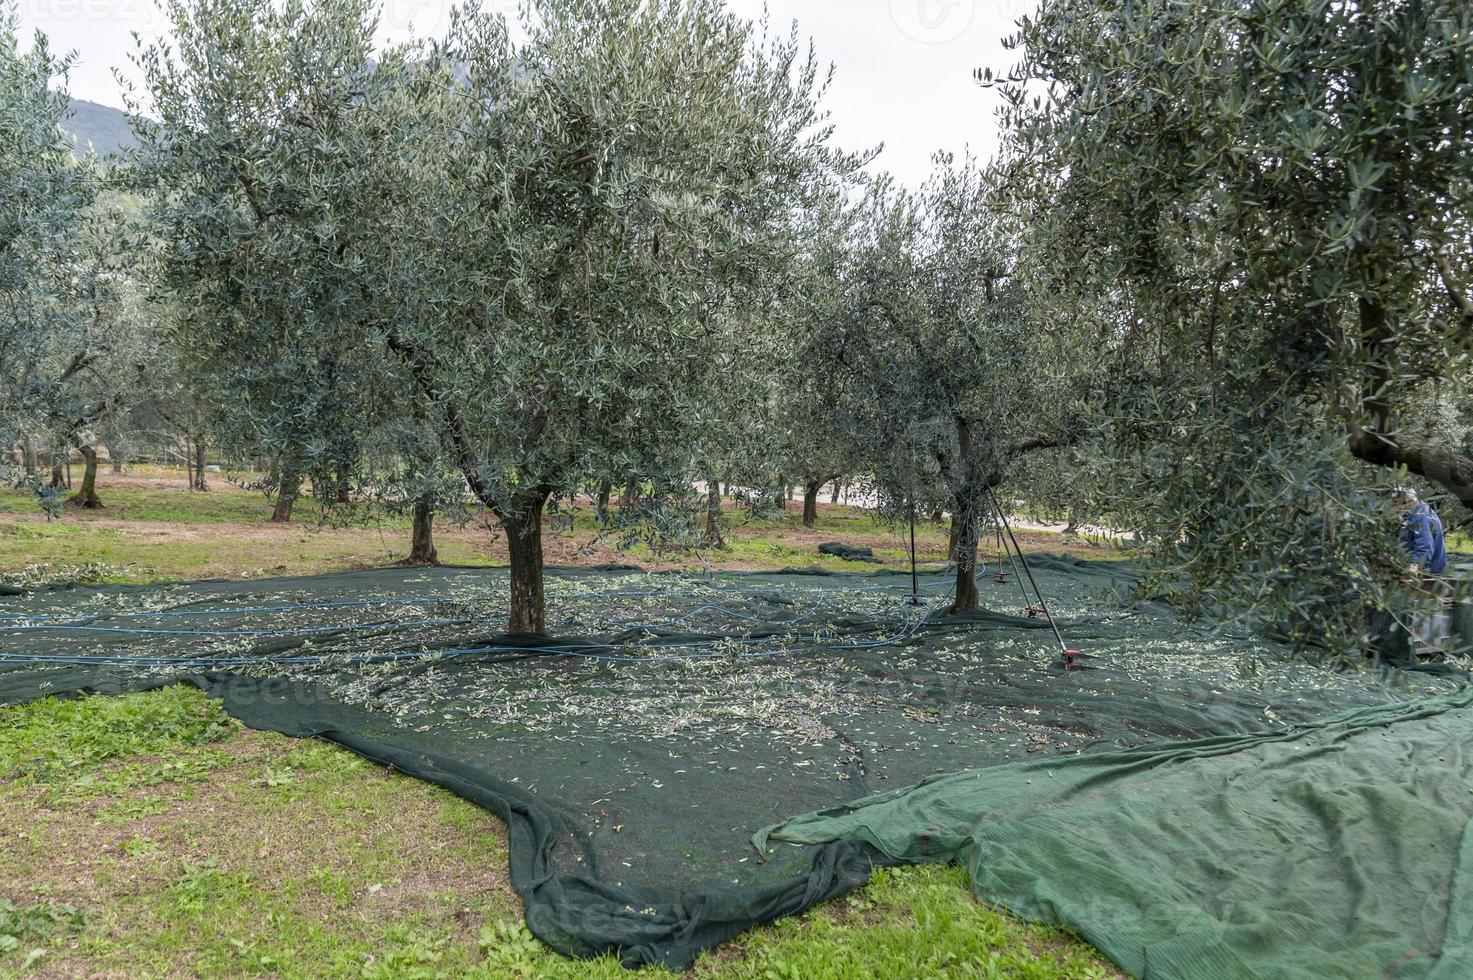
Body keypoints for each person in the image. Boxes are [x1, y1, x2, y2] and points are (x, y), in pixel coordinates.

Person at [1399, 488, 1449, 656]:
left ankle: (1421, 650)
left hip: (1428, 571)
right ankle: (1426, 649)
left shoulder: (1420, 516)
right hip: (1432, 569)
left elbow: (1425, 547)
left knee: (1421, 608)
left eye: (1399, 504)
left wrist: (1414, 567)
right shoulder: (1422, 511)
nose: (1396, 508)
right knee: (1427, 609)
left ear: (1410, 501)